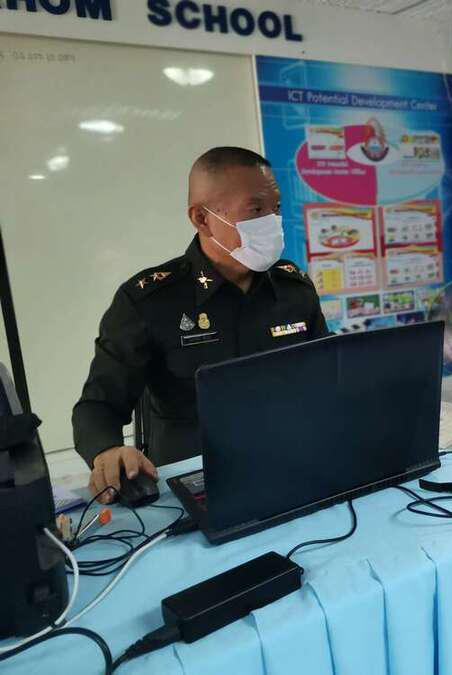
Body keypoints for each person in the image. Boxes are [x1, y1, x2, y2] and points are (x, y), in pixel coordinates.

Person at [73, 147, 329, 502]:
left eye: (277, 208)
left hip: (293, 464)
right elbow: (98, 405)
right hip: (197, 482)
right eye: (256, 210)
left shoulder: (293, 288)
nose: (272, 221)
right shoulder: (149, 301)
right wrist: (107, 451)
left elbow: (328, 375)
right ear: (201, 218)